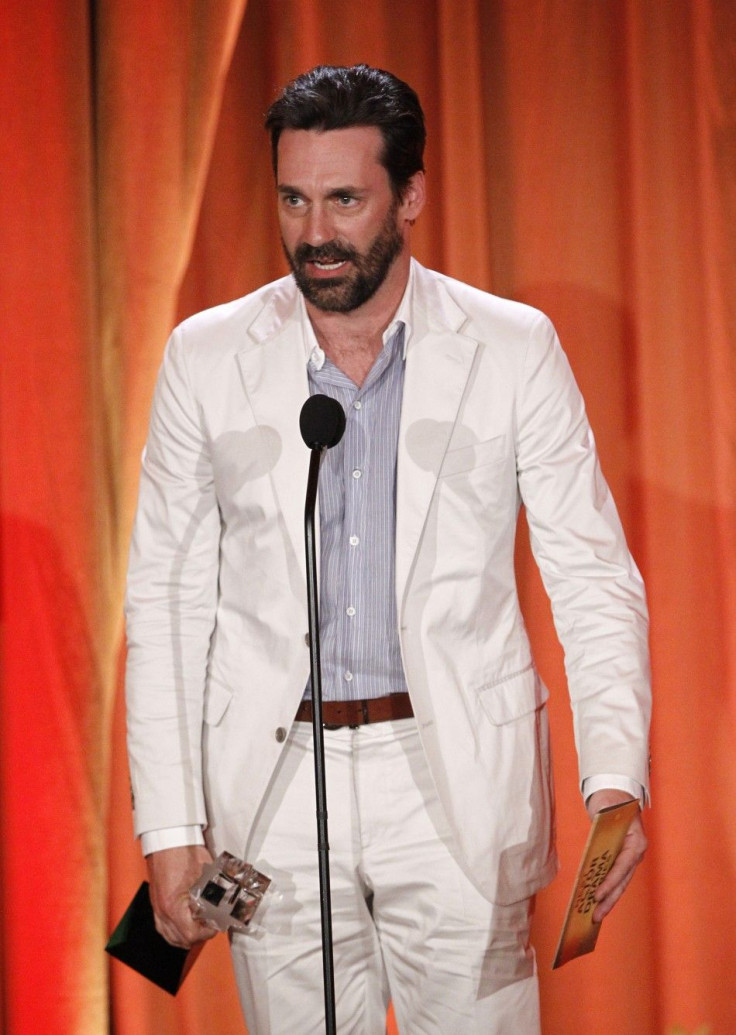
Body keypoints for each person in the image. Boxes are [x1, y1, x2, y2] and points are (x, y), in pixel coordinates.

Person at [125, 64, 651, 1034]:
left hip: (453, 776)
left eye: (343, 199)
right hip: (273, 788)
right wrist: (169, 827)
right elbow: (164, 598)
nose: (313, 232)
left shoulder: (511, 346)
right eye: (292, 198)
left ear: (408, 196)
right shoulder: (206, 356)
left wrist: (614, 781)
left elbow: (589, 573)